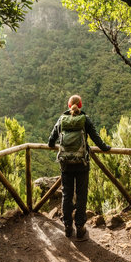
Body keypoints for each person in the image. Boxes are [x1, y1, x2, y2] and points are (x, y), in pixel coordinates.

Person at [47, 94, 111, 239]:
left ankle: (67, 226)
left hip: (66, 164)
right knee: (81, 195)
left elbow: (51, 140)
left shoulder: (62, 119)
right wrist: (105, 147)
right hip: (82, 164)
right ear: (80, 105)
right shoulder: (84, 119)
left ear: (69, 106)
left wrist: (52, 145)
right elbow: (95, 137)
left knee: (66, 194)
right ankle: (80, 227)